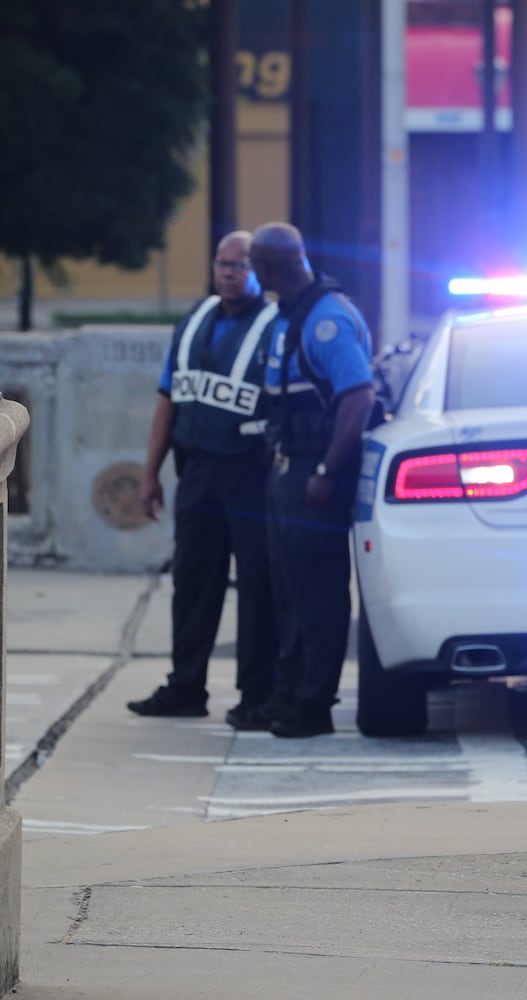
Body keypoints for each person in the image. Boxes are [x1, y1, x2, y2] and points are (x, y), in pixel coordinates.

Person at [127, 231, 280, 729]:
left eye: (240, 265)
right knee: (193, 582)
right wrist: (150, 474)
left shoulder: (275, 325)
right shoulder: (194, 320)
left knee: (256, 587)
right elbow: (167, 400)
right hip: (197, 472)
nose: (228, 273)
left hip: (250, 474)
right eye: (222, 264)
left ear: (258, 271)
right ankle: (185, 687)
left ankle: (257, 694)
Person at [251, 223, 376, 739]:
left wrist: (327, 470)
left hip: (316, 471)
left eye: (255, 265)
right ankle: (288, 695)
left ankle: (313, 704)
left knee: (318, 594)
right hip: (287, 467)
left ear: (269, 267)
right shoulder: (289, 315)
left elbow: (359, 398)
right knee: (287, 591)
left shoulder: (327, 320)